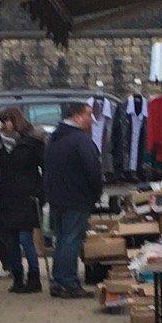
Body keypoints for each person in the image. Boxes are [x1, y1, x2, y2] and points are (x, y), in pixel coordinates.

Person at [42, 99, 104, 299]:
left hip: (58, 198)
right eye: (88, 115)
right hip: (77, 198)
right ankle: (68, 282)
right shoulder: (81, 140)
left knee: (62, 239)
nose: (91, 120)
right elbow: (93, 170)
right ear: (77, 117)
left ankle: (59, 280)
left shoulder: (54, 138)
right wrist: (95, 192)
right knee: (71, 240)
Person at [0, 106, 44, 294]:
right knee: (11, 239)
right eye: (2, 121)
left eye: (7, 120)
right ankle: (17, 276)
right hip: (8, 195)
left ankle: (34, 276)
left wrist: (40, 192)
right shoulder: (2, 144)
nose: (5, 125)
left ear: (16, 120)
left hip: (26, 195)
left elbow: (43, 165)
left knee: (26, 238)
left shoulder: (31, 141)